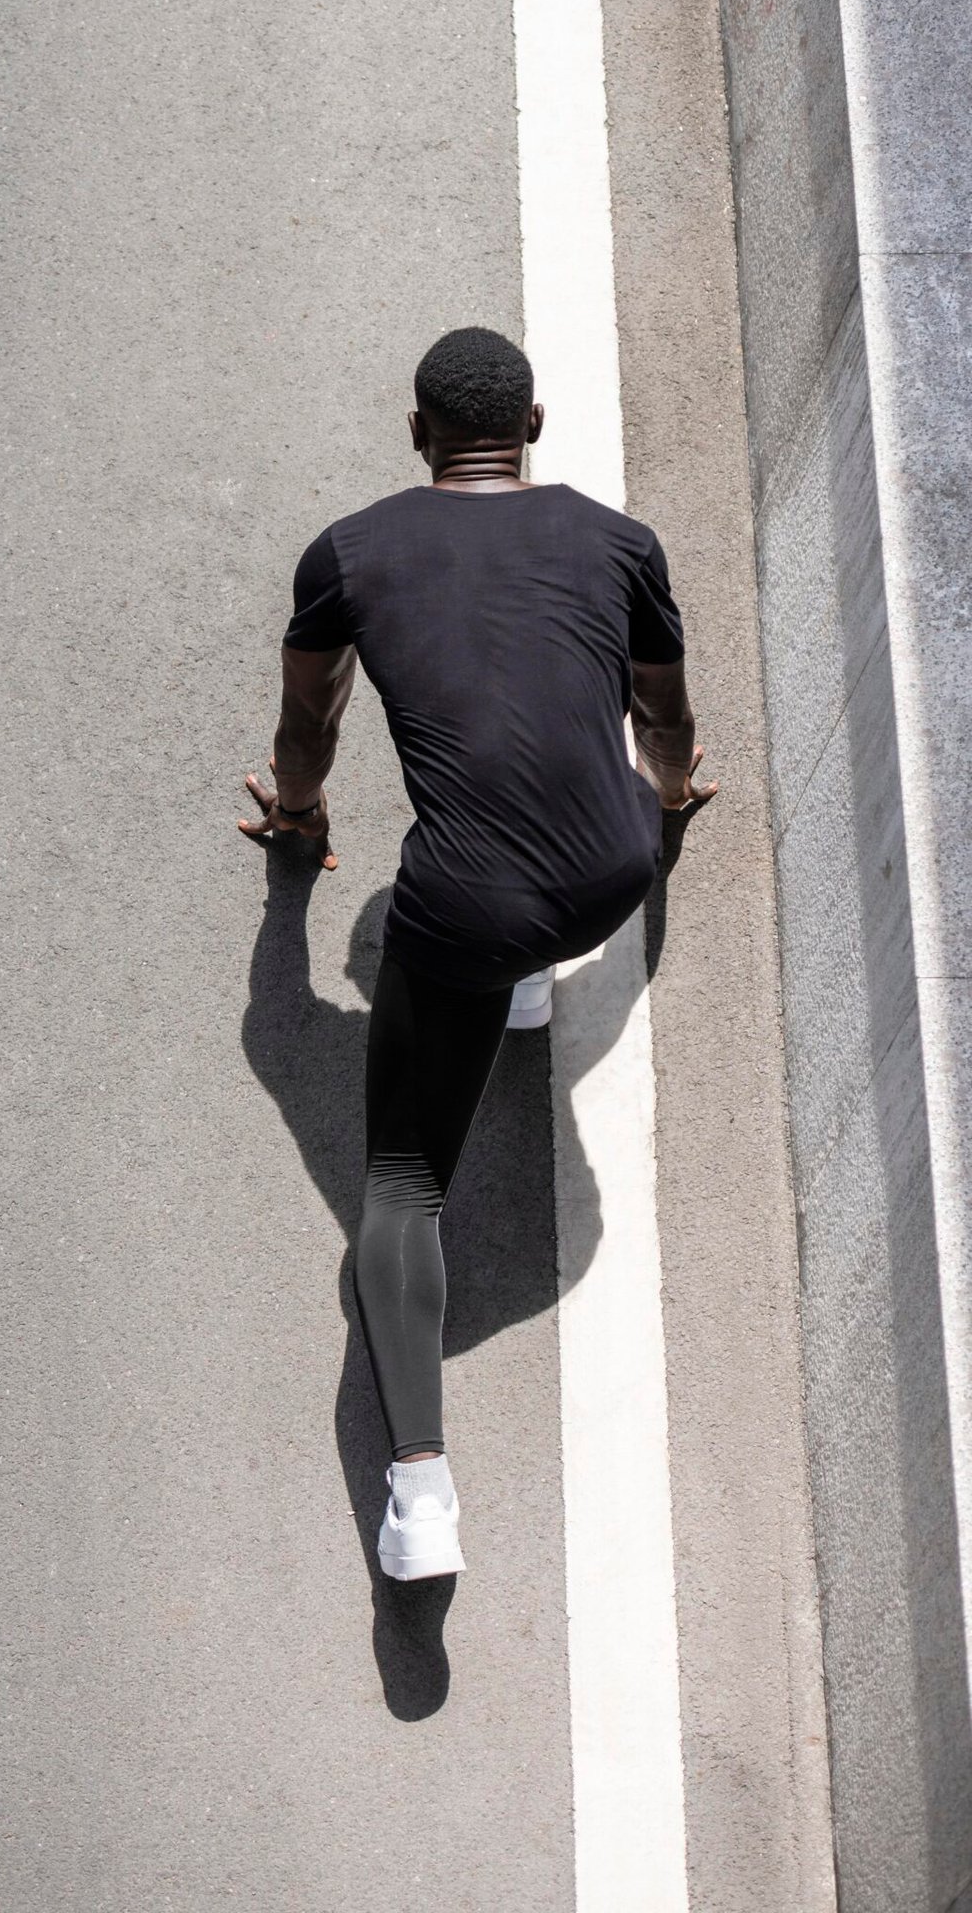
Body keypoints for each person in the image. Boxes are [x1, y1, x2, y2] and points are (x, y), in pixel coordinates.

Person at [237, 326, 716, 1581]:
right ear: (535, 429)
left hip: (468, 915)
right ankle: (516, 997)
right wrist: (664, 802)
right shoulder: (622, 543)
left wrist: (295, 824)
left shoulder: (351, 552)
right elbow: (663, 717)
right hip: (611, 872)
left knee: (399, 1185)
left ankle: (420, 1497)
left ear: (415, 436)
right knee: (533, 852)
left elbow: (311, 719)